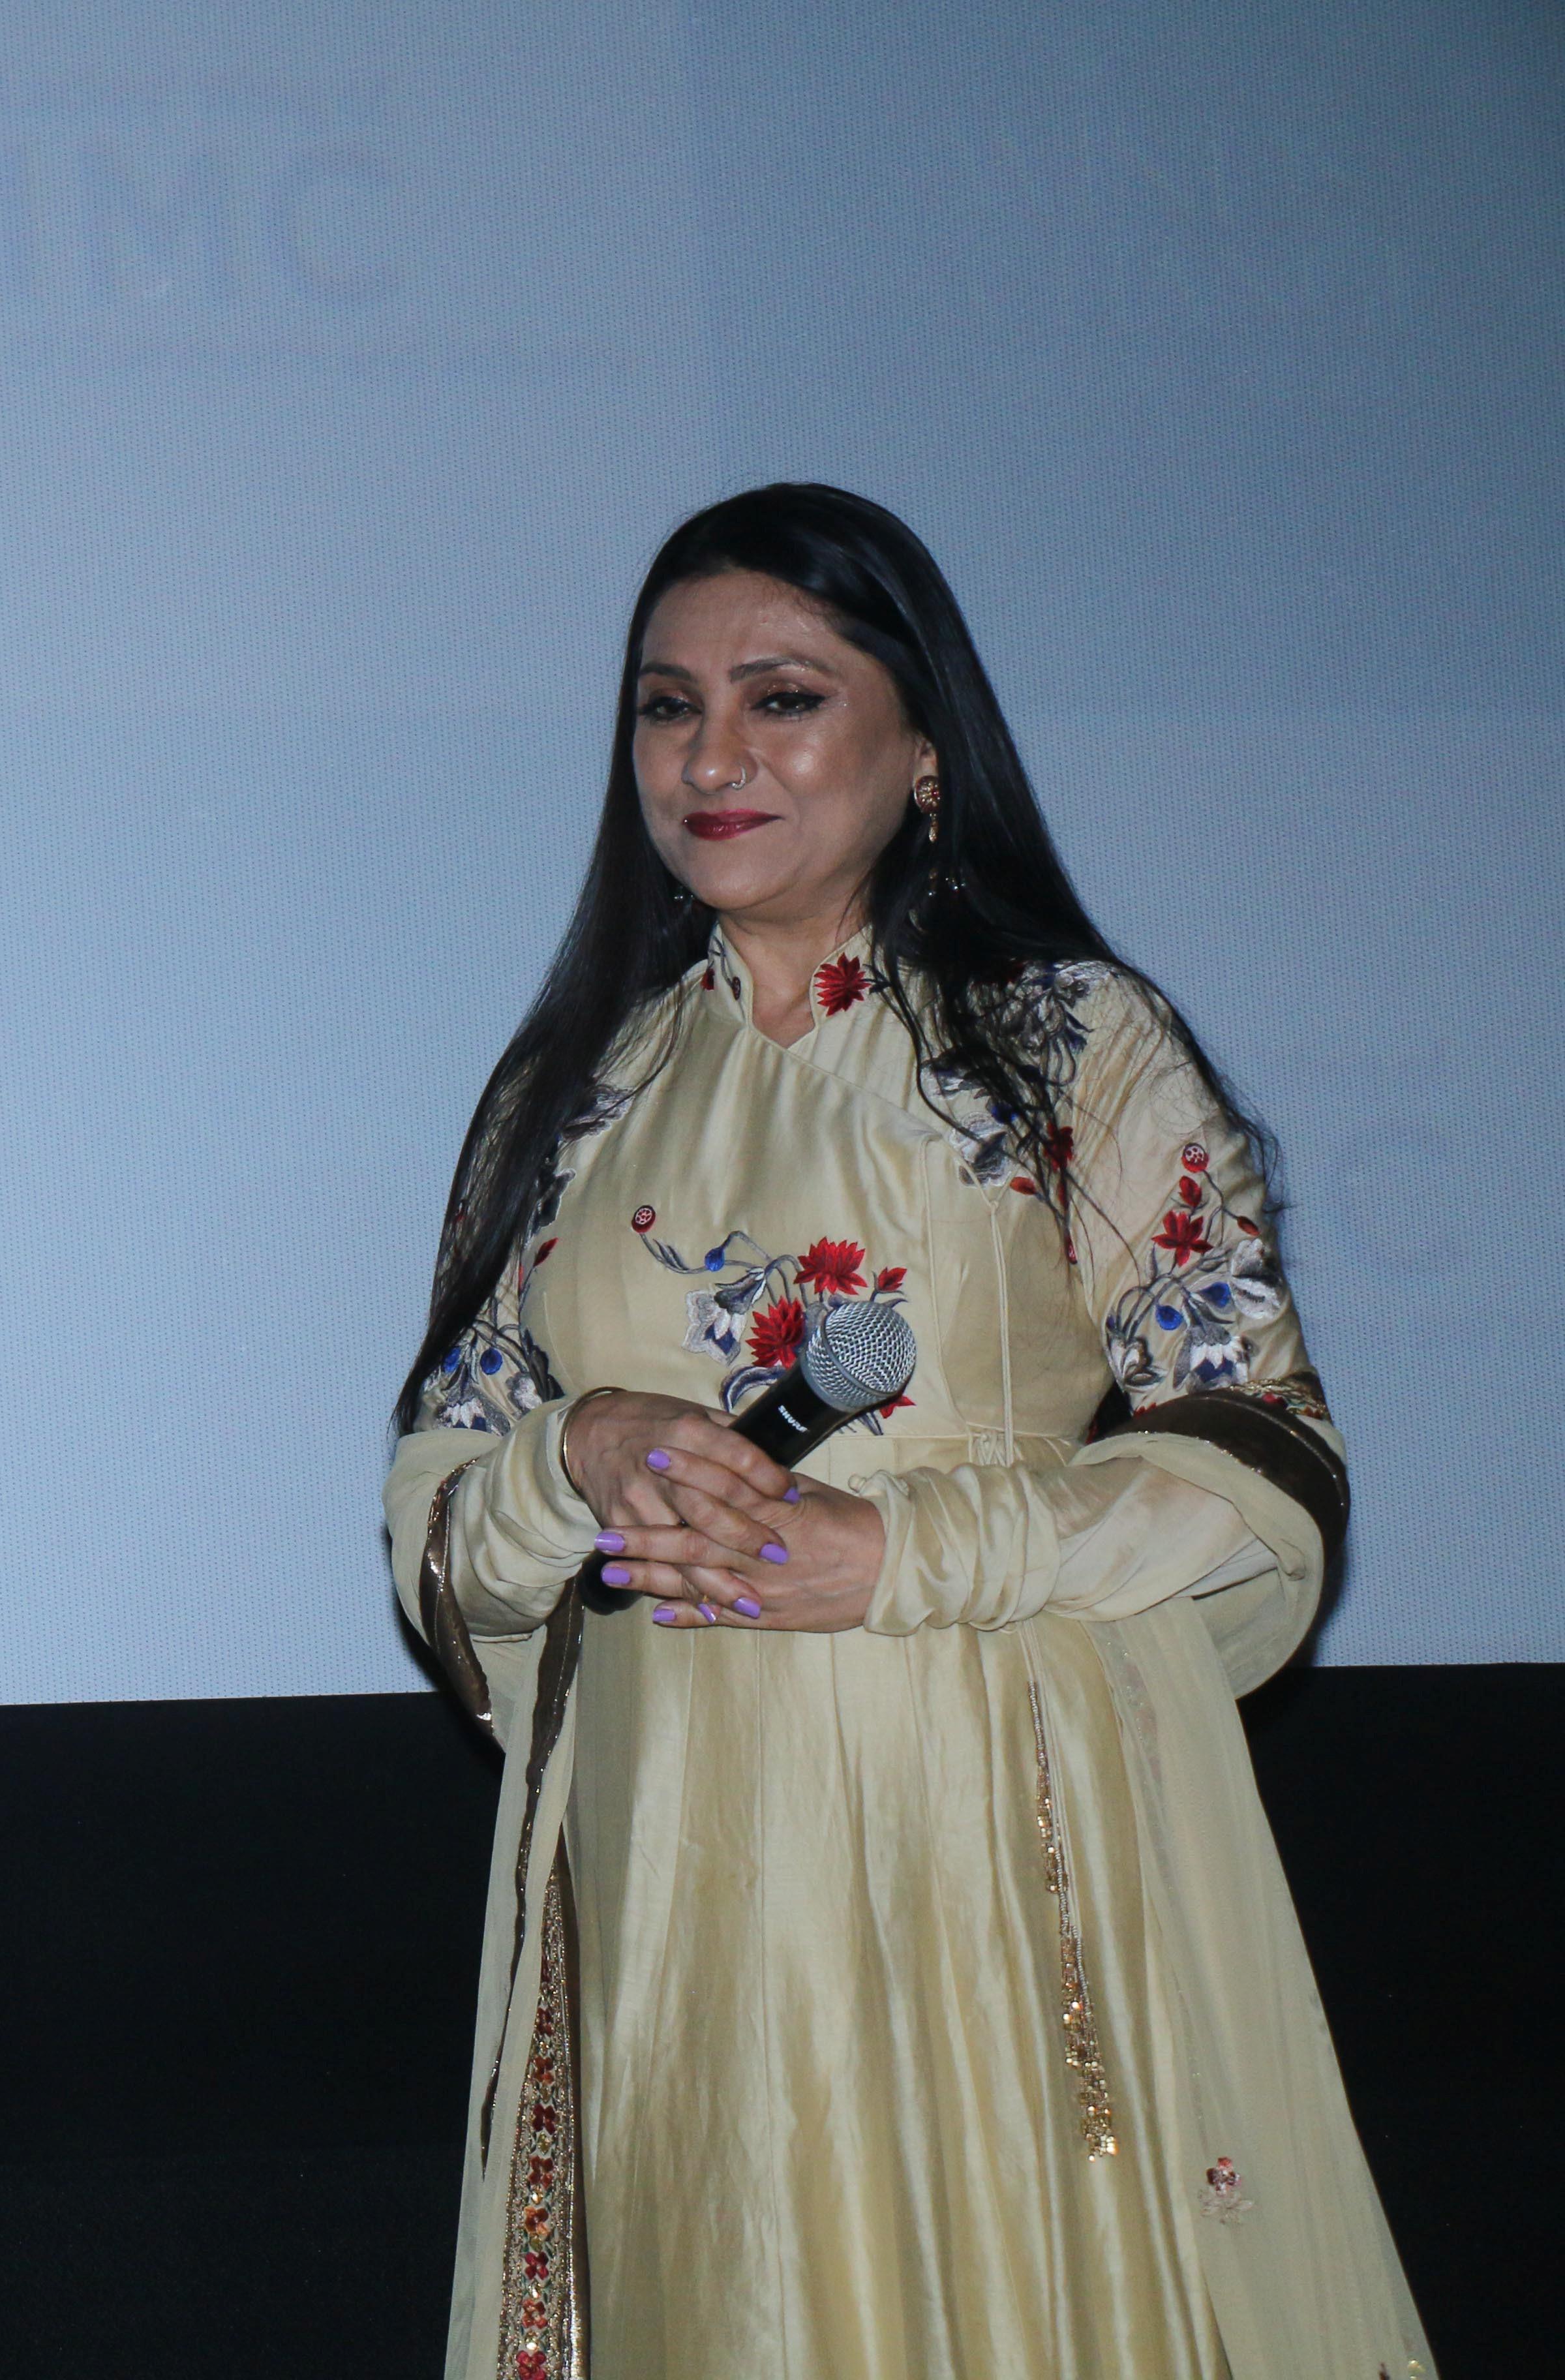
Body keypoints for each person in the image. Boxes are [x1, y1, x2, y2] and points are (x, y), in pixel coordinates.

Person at [384, 485, 1433, 2380]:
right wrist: (580, 1457)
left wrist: (902, 1553)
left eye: (780, 697)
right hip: (674, 1874)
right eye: (664, 706)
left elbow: (1260, 1464)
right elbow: (437, 1519)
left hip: (994, 1847)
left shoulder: (1066, 1051)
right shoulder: (573, 1094)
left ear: (926, 751)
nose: (711, 757)